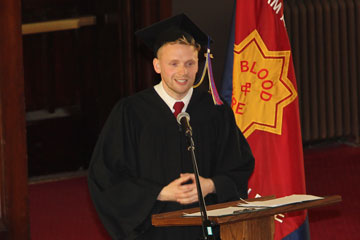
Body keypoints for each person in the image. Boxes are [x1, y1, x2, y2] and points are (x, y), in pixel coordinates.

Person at [88, 14, 254, 240]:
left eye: (190, 63)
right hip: (153, 230)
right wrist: (158, 193)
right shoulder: (131, 112)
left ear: (199, 63)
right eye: (173, 64)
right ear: (157, 65)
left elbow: (240, 165)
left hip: (207, 229)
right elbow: (105, 177)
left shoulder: (215, 110)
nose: (183, 72)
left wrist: (211, 185)